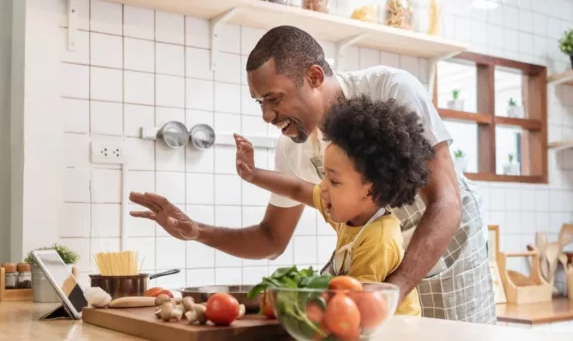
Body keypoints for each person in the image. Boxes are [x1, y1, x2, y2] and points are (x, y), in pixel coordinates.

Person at [129, 25, 496, 324]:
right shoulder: (292, 146)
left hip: (447, 255)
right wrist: (196, 231)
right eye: (260, 103)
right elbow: (272, 238)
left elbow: (446, 202)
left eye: (274, 98)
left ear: (315, 76)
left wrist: (395, 289)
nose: (267, 116)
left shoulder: (390, 90)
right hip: (377, 272)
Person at [235, 95, 435, 317]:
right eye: (325, 176)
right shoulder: (349, 210)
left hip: (397, 337)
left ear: (369, 190)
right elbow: (297, 189)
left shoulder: (379, 239)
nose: (323, 186)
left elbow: (354, 307)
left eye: (334, 180)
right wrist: (253, 175)